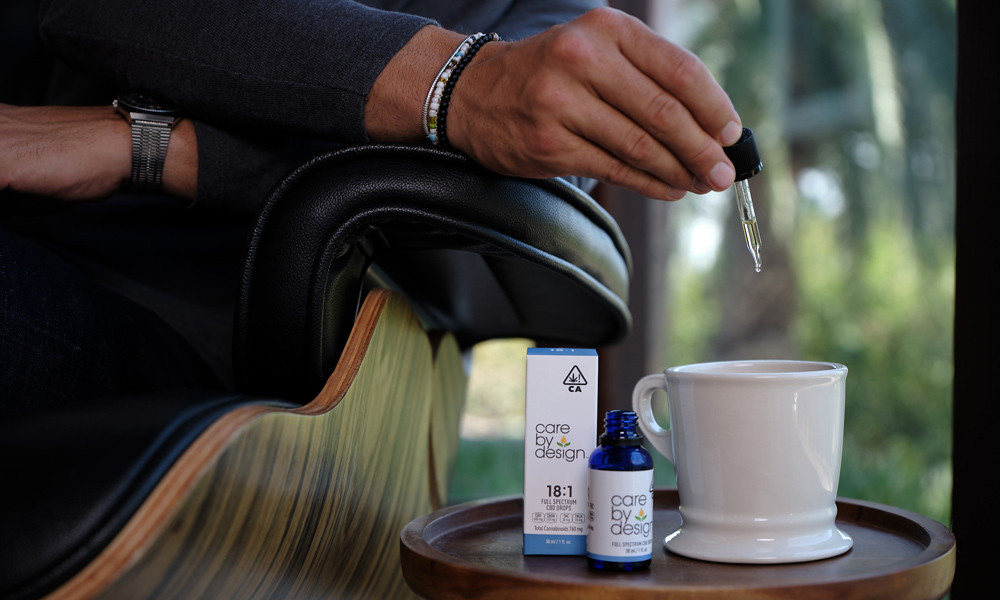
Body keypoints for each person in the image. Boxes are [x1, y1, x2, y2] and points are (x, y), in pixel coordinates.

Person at [1, 0, 742, 407]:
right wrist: (461, 88)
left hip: (229, 346)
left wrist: (160, 148)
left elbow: (473, 206)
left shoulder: (558, 19)